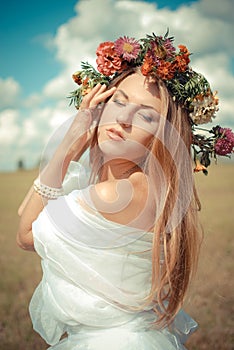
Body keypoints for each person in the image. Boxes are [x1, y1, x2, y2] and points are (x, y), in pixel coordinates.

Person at [17, 32, 233, 349]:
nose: (124, 118)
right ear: (102, 104)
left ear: (161, 138)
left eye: (146, 115)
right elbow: (29, 211)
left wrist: (69, 143)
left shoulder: (115, 195)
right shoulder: (145, 189)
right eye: (119, 101)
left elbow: (25, 234)